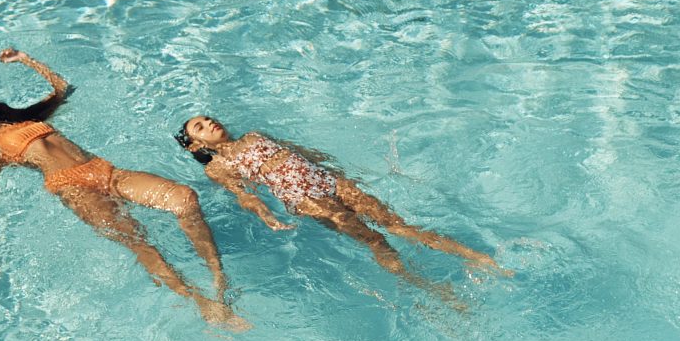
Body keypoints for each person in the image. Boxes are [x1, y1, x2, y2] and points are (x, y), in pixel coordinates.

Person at [0, 50, 240, 327]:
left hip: (105, 171)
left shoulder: (27, 119)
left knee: (184, 198)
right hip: (74, 189)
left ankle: (218, 277)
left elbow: (62, 88)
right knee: (140, 242)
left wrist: (26, 59)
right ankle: (200, 303)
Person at [174, 115, 505, 292]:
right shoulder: (218, 168)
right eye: (200, 127)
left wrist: (343, 174)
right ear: (194, 146)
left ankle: (478, 258)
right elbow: (243, 194)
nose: (210, 123)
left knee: (398, 225)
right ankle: (427, 287)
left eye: (208, 118)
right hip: (306, 199)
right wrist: (264, 215)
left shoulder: (254, 135)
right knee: (376, 240)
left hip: (330, 182)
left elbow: (303, 153)